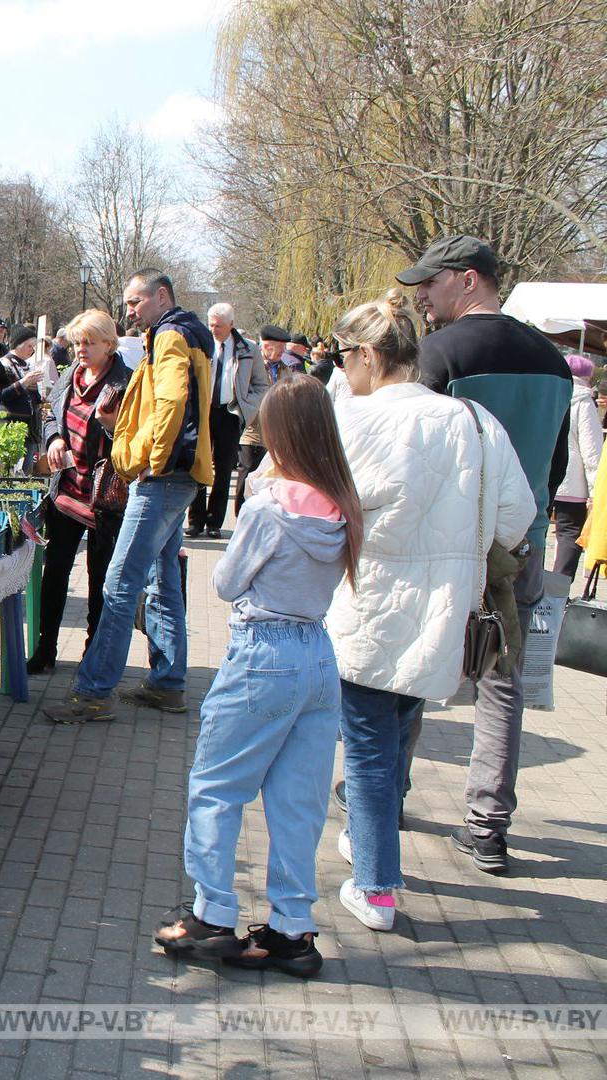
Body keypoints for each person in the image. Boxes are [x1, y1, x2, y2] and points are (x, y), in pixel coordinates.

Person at [325, 290, 531, 931]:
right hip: (446, 615)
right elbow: (516, 518)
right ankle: (368, 839)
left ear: (365, 356)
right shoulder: (473, 421)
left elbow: (314, 513)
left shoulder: (354, 423)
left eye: (342, 358)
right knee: (388, 738)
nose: (340, 371)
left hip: (368, 607)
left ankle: (378, 887)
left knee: (367, 747)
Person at [154, 375, 362, 977]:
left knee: (217, 787)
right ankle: (292, 930)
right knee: (298, 803)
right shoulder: (343, 501)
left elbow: (224, 582)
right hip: (318, 656)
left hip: (264, 651)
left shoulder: (270, 505)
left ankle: (213, 912)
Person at [407, 234, 573, 875]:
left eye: (432, 282)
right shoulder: (554, 362)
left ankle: (384, 791)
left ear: (468, 280)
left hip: (449, 542)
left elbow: (418, 457)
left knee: (416, 670)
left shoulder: (440, 353)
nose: (422, 295)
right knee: (504, 683)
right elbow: (556, 465)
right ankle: (487, 823)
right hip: (521, 543)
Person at [44, 269, 213, 723]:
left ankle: (95, 693)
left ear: (162, 296)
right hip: (179, 475)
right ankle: (167, 684)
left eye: (136, 302)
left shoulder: (172, 335)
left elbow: (174, 403)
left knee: (119, 585)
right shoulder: (186, 333)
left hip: (163, 477)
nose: (130, 312)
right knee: (163, 579)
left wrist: (151, 462)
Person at [30, 309, 131, 674]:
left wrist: (109, 427)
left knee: (99, 578)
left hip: (105, 497)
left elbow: (131, 439)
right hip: (66, 491)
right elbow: (51, 414)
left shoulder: (125, 382)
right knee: (54, 572)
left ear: (109, 343)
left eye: (89, 342)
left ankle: (93, 655)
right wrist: (54, 438)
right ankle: (45, 649)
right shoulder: (72, 374)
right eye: (77, 343)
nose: (81, 350)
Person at [188, 302, 268, 539]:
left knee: (223, 469)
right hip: (203, 411)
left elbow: (260, 384)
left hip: (230, 413)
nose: (214, 329)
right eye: (211, 324)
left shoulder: (248, 349)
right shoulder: (202, 343)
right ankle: (195, 521)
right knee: (199, 465)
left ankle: (214, 522)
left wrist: (247, 408)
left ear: (231, 324)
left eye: (219, 326)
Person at [552, 354, 601, 580]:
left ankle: (532, 590)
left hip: (546, 476)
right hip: (573, 485)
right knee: (569, 533)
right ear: (587, 377)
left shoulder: (551, 395)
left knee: (537, 531)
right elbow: (591, 450)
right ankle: (558, 593)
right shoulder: (583, 402)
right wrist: (596, 491)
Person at [0, 323, 46, 460]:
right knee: (14, 469)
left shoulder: (28, 365)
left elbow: (32, 395)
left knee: (27, 469)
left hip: (29, 425)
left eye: (33, 347)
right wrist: (24, 382)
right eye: (29, 346)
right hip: (11, 423)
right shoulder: (5, 364)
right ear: (18, 344)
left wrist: (41, 400)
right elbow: (2, 395)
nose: (31, 350)